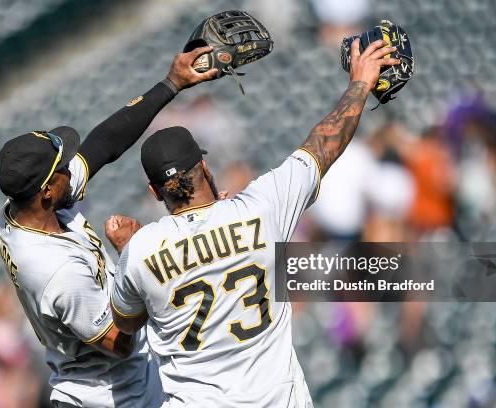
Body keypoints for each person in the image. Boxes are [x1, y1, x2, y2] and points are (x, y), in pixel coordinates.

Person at [108, 38, 399, 406]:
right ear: (205, 167)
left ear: (154, 192)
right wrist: (359, 84)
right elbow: (323, 145)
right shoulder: (260, 207)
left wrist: (127, 251)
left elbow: (127, 323)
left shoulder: (142, 251)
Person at [0, 46, 217, 407]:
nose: (72, 165)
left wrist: (171, 83)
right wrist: (135, 258)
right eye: (62, 167)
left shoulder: (26, 208)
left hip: (131, 385)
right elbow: (120, 342)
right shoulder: (57, 272)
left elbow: (103, 144)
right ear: (47, 190)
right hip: (111, 398)